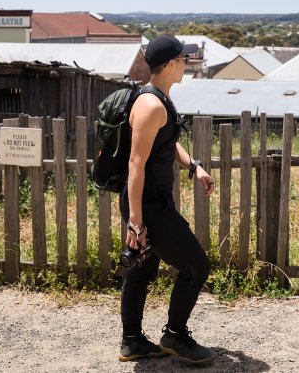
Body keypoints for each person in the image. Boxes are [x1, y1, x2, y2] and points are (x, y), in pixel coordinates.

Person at [118, 35, 216, 364]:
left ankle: (132, 342)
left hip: (152, 203)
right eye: (184, 60)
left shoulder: (161, 100)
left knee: (143, 272)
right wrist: (136, 222)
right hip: (148, 206)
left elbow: (167, 142)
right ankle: (174, 335)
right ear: (171, 64)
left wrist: (195, 166)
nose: (187, 65)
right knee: (196, 266)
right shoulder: (150, 105)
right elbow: (136, 163)